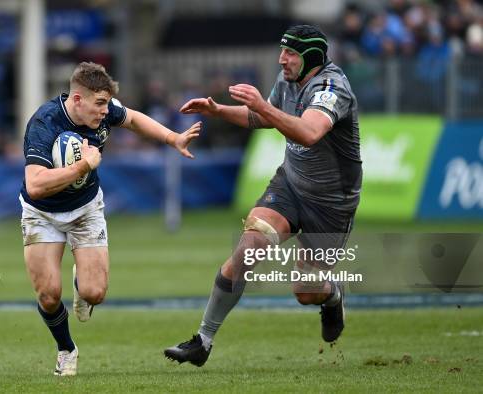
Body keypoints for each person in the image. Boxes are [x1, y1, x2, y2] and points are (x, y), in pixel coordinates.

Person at [164, 25, 362, 367]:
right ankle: (203, 340)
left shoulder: (332, 88)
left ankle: (332, 297)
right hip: (290, 185)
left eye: (290, 54)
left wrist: (261, 105)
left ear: (311, 57)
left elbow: (311, 131)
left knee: (306, 291)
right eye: (282, 51)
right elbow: (262, 115)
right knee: (249, 248)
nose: (281, 59)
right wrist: (219, 110)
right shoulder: (288, 80)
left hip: (332, 202)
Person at [20, 62, 201, 376]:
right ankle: (66, 349)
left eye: (107, 104)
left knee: (95, 293)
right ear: (78, 99)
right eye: (100, 104)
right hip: (42, 212)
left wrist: (172, 138)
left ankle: (82, 281)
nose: (106, 111)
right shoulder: (44, 123)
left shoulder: (105, 109)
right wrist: (82, 167)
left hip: (85, 209)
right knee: (48, 295)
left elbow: (132, 118)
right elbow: (35, 185)